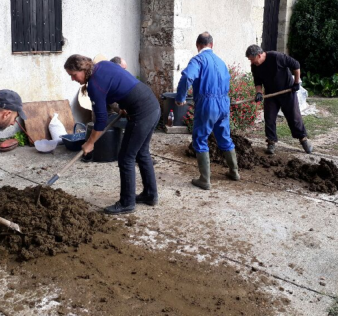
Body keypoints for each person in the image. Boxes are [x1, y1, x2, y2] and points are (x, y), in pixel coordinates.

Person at [64, 55, 160, 214]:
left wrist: (90, 142)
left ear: (83, 69)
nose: (73, 79)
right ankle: (150, 195)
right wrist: (123, 106)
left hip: (142, 113)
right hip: (152, 105)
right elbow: (119, 83)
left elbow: (101, 120)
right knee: (142, 153)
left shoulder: (94, 85)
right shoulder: (102, 65)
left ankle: (127, 203)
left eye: (73, 75)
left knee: (126, 157)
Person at [175, 32, 240, 190]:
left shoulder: (198, 59)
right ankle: (234, 172)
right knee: (224, 136)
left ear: (198, 46)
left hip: (207, 104)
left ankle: (205, 180)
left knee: (200, 138)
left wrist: (180, 97)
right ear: (211, 45)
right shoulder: (221, 61)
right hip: (223, 102)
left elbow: (187, 77)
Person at [245, 45, 312, 154]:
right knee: (269, 117)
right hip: (271, 94)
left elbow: (296, 65)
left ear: (258, 55)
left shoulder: (276, 57)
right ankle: (271, 142)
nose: (251, 62)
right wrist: (258, 92)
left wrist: (296, 83)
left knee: (293, 116)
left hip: (287, 91)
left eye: (252, 59)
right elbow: (257, 81)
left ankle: (303, 139)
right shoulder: (255, 66)